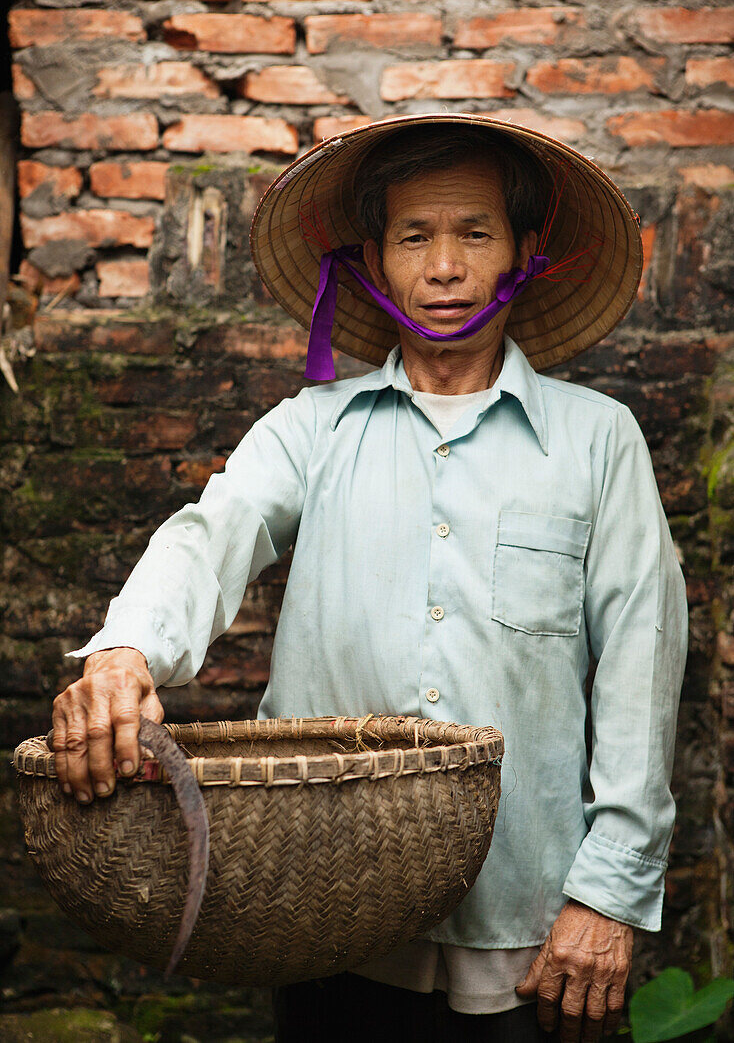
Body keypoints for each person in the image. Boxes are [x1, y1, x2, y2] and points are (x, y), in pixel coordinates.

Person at [52, 115, 688, 1043]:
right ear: (374, 259)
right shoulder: (311, 429)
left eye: (474, 233)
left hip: (529, 928)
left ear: (525, 252)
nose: (443, 267)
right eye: (413, 237)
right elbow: (210, 536)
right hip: (325, 913)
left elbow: (642, 668)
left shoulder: (597, 440)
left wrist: (611, 895)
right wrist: (121, 653)